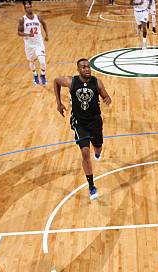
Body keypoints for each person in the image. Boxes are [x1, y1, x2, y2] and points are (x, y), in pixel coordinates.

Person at [53, 59, 112, 201]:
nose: (87, 69)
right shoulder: (71, 82)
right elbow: (56, 81)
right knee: (85, 152)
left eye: (88, 67)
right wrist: (59, 103)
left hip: (95, 121)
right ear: (78, 70)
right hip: (79, 122)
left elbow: (105, 95)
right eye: (83, 67)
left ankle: (97, 153)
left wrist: (107, 98)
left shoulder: (97, 82)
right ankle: (91, 185)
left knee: (97, 148)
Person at [17, 0, 48, 86]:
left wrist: (46, 35)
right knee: (31, 61)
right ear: (25, 9)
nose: (29, 9)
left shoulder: (38, 17)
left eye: (30, 7)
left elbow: (44, 24)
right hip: (29, 44)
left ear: (32, 7)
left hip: (39, 43)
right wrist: (27, 34)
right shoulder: (22, 19)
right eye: (27, 7)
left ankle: (43, 75)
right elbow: (19, 32)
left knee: (42, 61)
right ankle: (35, 75)